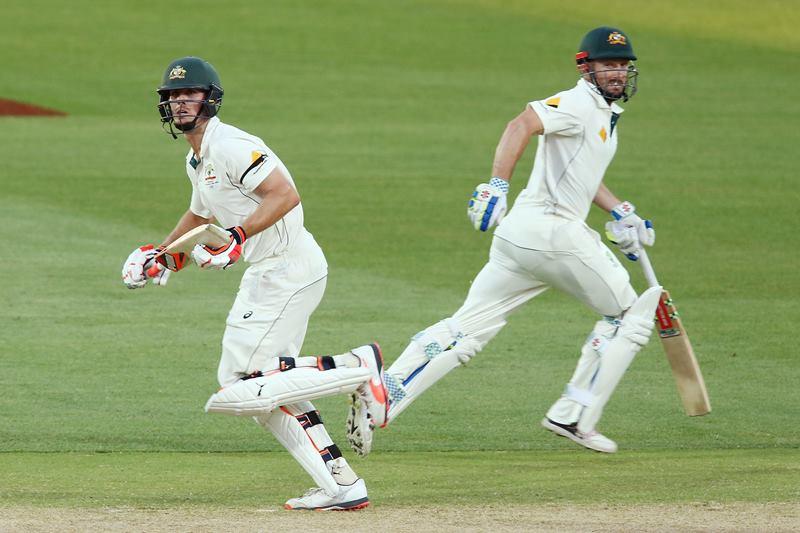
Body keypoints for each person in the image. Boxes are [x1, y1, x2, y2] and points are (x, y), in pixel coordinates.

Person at [346, 27, 662, 456]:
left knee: (468, 329)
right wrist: (496, 185)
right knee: (629, 317)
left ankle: (387, 395)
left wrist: (620, 210)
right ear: (585, 66)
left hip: (520, 238)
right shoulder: (576, 102)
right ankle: (574, 414)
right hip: (553, 233)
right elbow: (522, 123)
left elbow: (582, 174)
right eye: (608, 64)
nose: (618, 73)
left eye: (624, 66)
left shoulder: (602, 115)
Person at [121, 56, 388, 510]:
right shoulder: (197, 158)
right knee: (264, 390)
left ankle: (358, 369)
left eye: (190, 95)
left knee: (237, 386)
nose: (180, 103)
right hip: (270, 273)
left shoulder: (232, 145)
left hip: (287, 268)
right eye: (172, 97)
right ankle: (341, 484)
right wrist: (162, 256)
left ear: (211, 99)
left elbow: (285, 193)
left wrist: (239, 237)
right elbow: (201, 216)